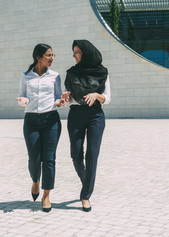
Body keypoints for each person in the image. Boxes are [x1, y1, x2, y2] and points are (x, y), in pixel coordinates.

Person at [62, 40, 111, 212]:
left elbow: (108, 98)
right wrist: (67, 98)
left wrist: (97, 94)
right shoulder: (71, 73)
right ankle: (87, 183)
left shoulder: (102, 73)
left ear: (86, 53)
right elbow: (70, 98)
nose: (74, 55)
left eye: (77, 52)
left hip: (95, 115)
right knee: (76, 154)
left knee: (92, 155)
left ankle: (86, 196)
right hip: (76, 114)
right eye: (74, 52)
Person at [16, 43, 65, 212]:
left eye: (52, 55)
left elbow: (58, 96)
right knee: (34, 159)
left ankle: (46, 196)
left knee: (49, 159)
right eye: (49, 55)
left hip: (51, 120)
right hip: (31, 120)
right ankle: (35, 180)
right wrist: (23, 100)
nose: (52, 58)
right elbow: (22, 94)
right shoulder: (26, 76)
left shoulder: (55, 76)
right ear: (38, 57)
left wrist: (59, 101)